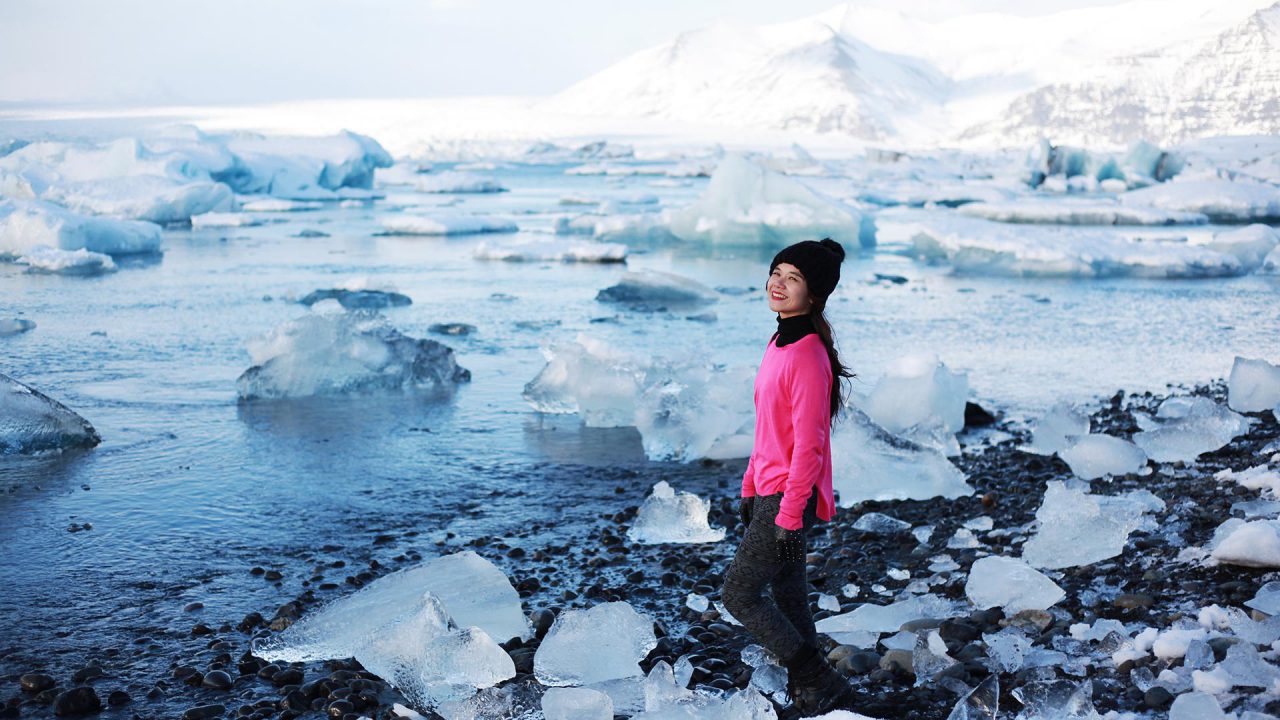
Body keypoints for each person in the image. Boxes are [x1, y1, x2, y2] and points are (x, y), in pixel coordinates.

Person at [720, 237, 855, 716]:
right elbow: (768, 429)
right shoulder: (779, 340)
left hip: (788, 499)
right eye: (778, 271)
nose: (778, 282)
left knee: (739, 594)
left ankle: (816, 675)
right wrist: (749, 486)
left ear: (814, 294)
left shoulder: (809, 355)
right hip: (770, 492)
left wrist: (789, 512)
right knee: (789, 595)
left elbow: (810, 445)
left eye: (793, 278)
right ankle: (816, 689)